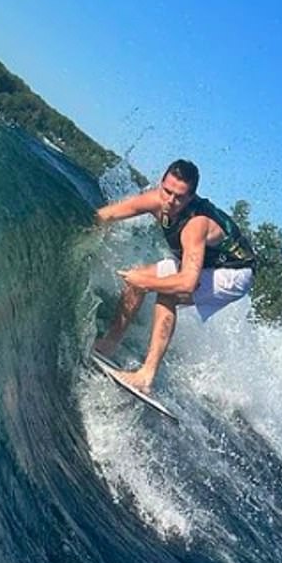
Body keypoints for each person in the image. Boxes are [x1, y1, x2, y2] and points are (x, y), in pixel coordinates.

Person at [95, 159, 256, 392]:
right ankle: (108, 344)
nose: (170, 201)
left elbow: (187, 284)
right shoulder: (156, 199)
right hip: (206, 262)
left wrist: (144, 282)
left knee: (167, 292)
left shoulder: (195, 225)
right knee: (139, 279)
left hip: (235, 271)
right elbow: (105, 215)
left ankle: (145, 376)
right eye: (167, 191)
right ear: (161, 183)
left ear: (191, 197)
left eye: (179, 197)